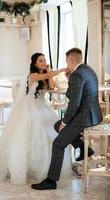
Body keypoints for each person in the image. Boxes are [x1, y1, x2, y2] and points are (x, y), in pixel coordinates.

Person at [0, 53, 66, 185]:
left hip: (41, 106)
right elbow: (46, 76)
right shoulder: (33, 75)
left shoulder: (45, 75)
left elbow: (51, 87)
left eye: (44, 60)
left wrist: (48, 71)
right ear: (35, 64)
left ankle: (43, 167)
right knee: (26, 137)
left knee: (48, 132)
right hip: (29, 107)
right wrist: (61, 70)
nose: (43, 62)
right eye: (40, 61)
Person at [31, 47, 103, 190]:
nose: (66, 63)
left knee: (58, 143)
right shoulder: (88, 70)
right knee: (56, 125)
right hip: (94, 114)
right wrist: (69, 78)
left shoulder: (77, 75)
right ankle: (83, 148)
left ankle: (51, 181)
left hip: (84, 116)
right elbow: (77, 94)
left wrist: (65, 122)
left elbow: (74, 102)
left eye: (66, 61)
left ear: (70, 60)